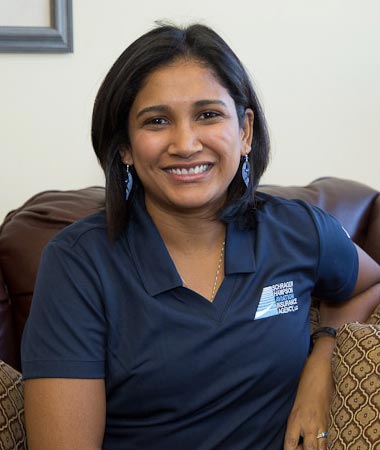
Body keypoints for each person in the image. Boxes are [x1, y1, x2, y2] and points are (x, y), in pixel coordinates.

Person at [21, 23, 380, 450]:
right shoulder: (77, 264)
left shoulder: (298, 230)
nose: (186, 143)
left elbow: (368, 284)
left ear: (244, 131)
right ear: (125, 148)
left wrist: (323, 355)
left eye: (208, 115)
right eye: (157, 121)